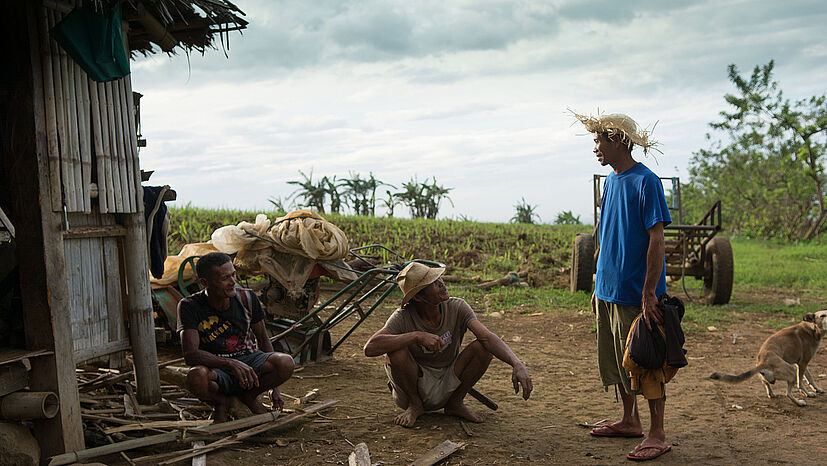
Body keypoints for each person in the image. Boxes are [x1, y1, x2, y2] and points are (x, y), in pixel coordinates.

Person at [575, 112, 673, 461]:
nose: (596, 148)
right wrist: (597, 285)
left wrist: (649, 293)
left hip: (636, 293)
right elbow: (606, 235)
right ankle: (630, 420)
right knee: (617, 360)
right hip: (608, 290)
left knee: (645, 361)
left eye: (600, 140)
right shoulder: (612, 181)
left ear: (618, 141)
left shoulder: (646, 182)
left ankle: (657, 433)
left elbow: (657, 239)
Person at [364, 262, 533, 428]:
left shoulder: (457, 307)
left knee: (482, 348)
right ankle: (415, 406)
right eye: (433, 283)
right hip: (414, 386)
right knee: (395, 351)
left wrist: (517, 363)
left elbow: (487, 337)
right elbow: (370, 347)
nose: (442, 284)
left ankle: (455, 403)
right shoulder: (402, 317)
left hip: (450, 377)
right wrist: (416, 336)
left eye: (439, 279)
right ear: (418, 296)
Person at [178, 252, 295, 423]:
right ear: (205, 283)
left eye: (233, 274)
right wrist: (230, 364)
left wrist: (274, 389)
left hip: (249, 360)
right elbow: (190, 355)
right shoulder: (189, 306)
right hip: (216, 367)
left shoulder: (247, 298)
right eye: (225, 278)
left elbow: (262, 339)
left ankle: (249, 396)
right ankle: (221, 403)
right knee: (196, 376)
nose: (233, 281)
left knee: (285, 363)